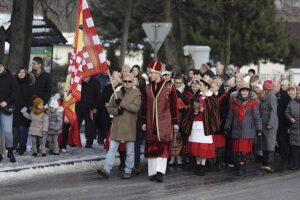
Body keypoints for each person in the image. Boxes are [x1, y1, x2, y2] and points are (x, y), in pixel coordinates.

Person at [97, 72, 141, 179]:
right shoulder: (117, 92)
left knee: (130, 150)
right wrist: (117, 111)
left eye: (129, 81)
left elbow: (135, 108)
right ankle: (106, 169)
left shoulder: (137, 94)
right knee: (112, 149)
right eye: (125, 81)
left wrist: (121, 103)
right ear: (122, 81)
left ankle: (128, 170)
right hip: (117, 124)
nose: (127, 83)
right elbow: (109, 107)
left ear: (132, 82)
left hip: (129, 126)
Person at [141, 60, 179, 182]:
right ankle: (152, 172)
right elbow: (144, 105)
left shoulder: (169, 86)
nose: (150, 75)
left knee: (162, 146)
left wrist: (175, 122)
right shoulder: (147, 87)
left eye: (151, 73)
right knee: (151, 147)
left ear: (158, 73)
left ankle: (160, 172)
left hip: (164, 122)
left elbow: (174, 105)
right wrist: (143, 122)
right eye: (149, 73)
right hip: (151, 122)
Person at [225, 81, 262, 176]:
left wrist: (259, 128)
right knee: (237, 150)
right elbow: (230, 115)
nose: (244, 92)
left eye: (246, 91)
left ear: (249, 92)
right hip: (236, 129)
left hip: (247, 131)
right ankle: (239, 166)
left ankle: (242, 168)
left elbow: (257, 117)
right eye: (243, 91)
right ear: (240, 92)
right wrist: (227, 126)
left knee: (243, 151)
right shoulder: (234, 102)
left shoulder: (253, 103)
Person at [188, 75, 220, 176]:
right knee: (197, 144)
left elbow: (214, 111)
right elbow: (192, 107)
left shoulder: (211, 97)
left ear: (206, 86)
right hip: (196, 123)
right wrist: (195, 110)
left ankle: (203, 166)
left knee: (203, 145)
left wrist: (203, 110)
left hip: (205, 125)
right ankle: (198, 165)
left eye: (201, 84)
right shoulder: (198, 96)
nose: (199, 86)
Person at [0, 63, 19, 162]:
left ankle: (10, 151)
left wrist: (6, 101)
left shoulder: (10, 78)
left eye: (0, 66)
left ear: (3, 67)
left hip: (6, 108)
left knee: (7, 131)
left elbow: (16, 91)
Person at [13, 67, 34, 155]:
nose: (21, 74)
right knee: (17, 129)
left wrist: (26, 107)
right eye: (19, 72)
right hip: (15, 109)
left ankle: (22, 147)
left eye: (23, 72)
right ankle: (17, 146)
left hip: (24, 110)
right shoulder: (13, 83)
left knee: (22, 128)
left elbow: (32, 96)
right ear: (17, 74)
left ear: (25, 74)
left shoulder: (29, 83)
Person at [76, 76, 101, 148]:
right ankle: (75, 140)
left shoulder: (96, 82)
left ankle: (89, 141)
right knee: (77, 124)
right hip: (79, 107)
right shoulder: (78, 81)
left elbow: (98, 95)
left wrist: (95, 107)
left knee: (90, 126)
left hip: (90, 107)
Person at [260, 80, 278, 172]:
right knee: (264, 143)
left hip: (270, 123)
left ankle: (269, 163)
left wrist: (270, 123)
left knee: (270, 143)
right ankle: (264, 163)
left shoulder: (271, 96)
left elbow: (273, 111)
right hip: (263, 122)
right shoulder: (264, 95)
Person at [285, 86, 300, 170]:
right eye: (297, 93)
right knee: (294, 148)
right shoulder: (291, 102)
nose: (298, 95)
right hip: (294, 128)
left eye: (299, 93)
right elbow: (286, 112)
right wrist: (290, 118)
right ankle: (295, 164)